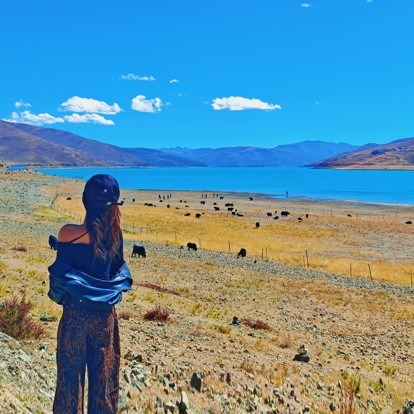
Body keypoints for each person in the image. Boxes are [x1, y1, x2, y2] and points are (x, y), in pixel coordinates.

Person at [48, 174, 133, 414]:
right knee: (105, 387)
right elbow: (116, 274)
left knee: (69, 386)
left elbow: (58, 283)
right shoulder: (115, 236)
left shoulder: (67, 233)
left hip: (74, 316)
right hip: (104, 319)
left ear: (85, 200)